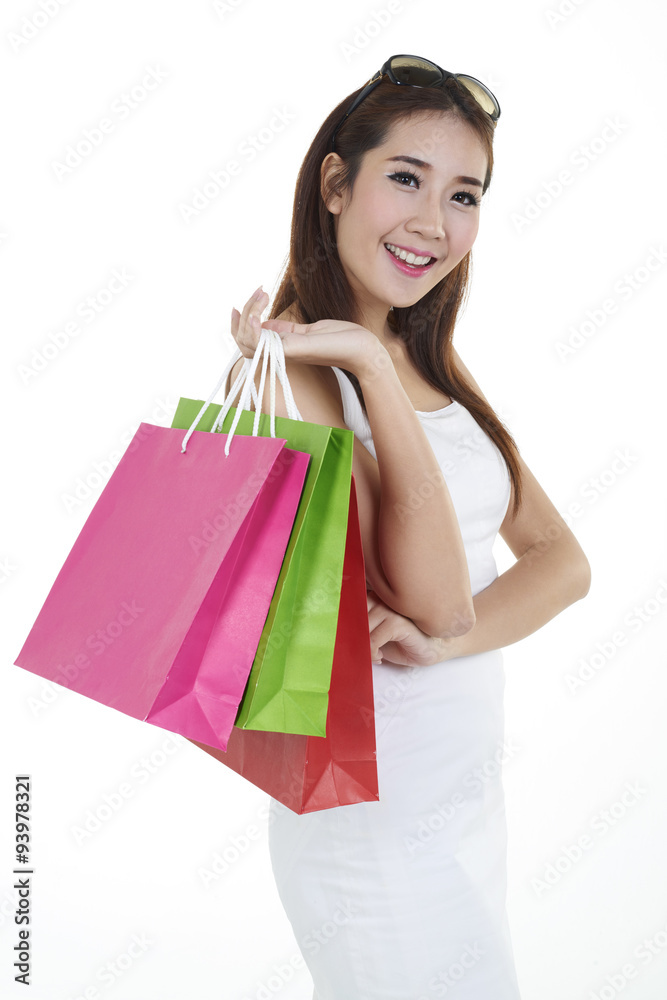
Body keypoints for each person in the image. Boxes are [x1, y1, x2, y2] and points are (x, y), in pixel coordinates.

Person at [228, 54, 591, 1000]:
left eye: (463, 194)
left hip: (460, 801)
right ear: (336, 184)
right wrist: (366, 370)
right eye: (405, 178)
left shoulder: (420, 355)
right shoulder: (296, 373)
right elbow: (433, 594)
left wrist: (441, 647)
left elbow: (560, 563)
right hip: (370, 817)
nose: (435, 223)